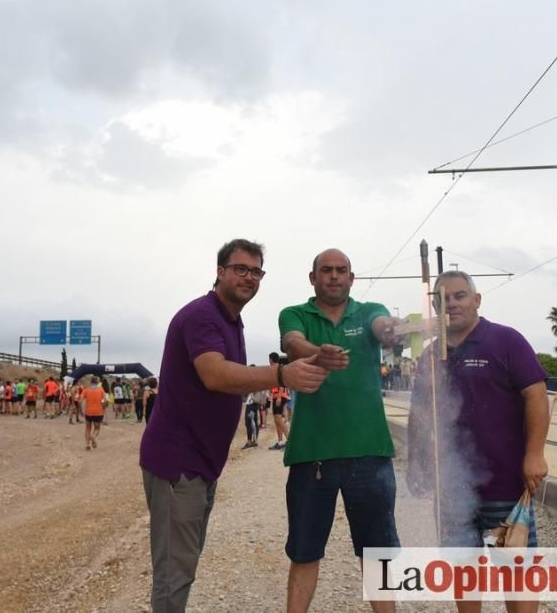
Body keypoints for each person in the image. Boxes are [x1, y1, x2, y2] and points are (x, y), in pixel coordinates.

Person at [139, 238, 328, 613]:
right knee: (174, 572)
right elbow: (214, 374)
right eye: (240, 269)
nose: (249, 277)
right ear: (220, 272)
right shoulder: (202, 316)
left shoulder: (230, 320)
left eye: (256, 271)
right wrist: (280, 374)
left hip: (199, 465)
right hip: (179, 463)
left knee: (182, 566)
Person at [407, 270, 549, 613]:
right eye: (442, 299)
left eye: (459, 296)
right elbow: (421, 416)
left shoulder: (506, 341)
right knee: (462, 569)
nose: (451, 304)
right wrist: (418, 464)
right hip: (451, 487)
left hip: (505, 483)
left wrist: (535, 454)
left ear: (477, 300)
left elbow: (536, 394)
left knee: (517, 571)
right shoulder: (430, 354)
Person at [278, 248, 403, 613]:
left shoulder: (368, 312)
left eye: (341, 270)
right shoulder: (295, 314)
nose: (334, 276)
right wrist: (318, 352)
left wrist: (389, 329)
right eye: (326, 270)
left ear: (352, 277)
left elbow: (381, 326)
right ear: (313, 277)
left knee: (376, 554)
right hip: (310, 455)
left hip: (370, 453)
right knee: (304, 552)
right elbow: (292, 343)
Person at [268, 353, 291, 450]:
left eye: (269, 359)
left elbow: (281, 383)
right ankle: (280, 442)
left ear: (271, 359)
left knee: (278, 419)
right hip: (277, 396)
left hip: (280, 396)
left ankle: (290, 441)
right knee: (277, 420)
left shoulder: (278, 369)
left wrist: (278, 397)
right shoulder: (276, 368)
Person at [82, 375, 107, 450]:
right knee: (97, 428)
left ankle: (87, 444)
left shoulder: (86, 390)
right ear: (97, 382)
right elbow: (105, 401)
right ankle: (93, 436)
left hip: (88, 412)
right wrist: (103, 407)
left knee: (87, 428)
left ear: (91, 382)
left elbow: (81, 400)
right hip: (98, 412)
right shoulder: (101, 390)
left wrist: (81, 410)